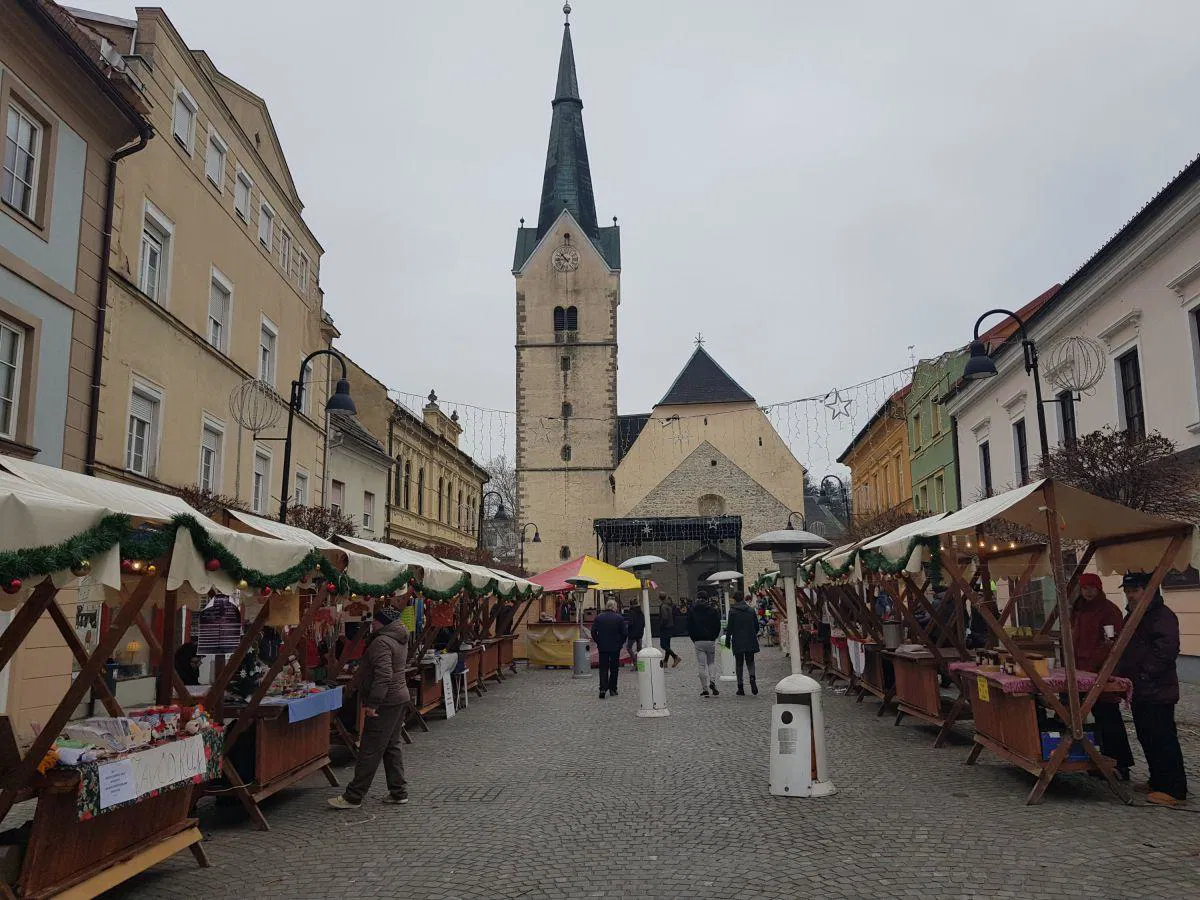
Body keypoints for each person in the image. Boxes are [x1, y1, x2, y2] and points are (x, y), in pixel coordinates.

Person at [1115, 572, 1188, 806]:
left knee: (1163, 738)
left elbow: (1166, 649)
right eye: (1127, 591)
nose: (1130, 595)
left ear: (1148, 590)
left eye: (1134, 590)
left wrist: (1145, 673)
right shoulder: (1135, 615)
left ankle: (1174, 788)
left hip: (1157, 688)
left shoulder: (1161, 615)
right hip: (1139, 687)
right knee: (1147, 736)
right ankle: (1157, 780)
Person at [329, 605, 411, 809]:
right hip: (399, 697)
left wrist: (373, 704)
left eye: (374, 621)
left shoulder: (382, 642)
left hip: (386, 701)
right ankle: (398, 791)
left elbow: (384, 675)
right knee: (391, 746)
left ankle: (354, 796)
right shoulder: (399, 637)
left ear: (382, 623)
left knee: (370, 748)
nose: (371, 624)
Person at [1070, 573, 1134, 780]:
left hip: (1101, 671)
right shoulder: (1077, 609)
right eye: (1085, 588)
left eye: (1091, 587)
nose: (1088, 591)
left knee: (1108, 716)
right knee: (1093, 717)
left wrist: (1092, 666)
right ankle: (1099, 760)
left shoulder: (1108, 610)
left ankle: (1121, 763)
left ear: (1098, 588)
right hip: (1080, 670)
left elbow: (1109, 643)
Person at [590, 599, 627, 699]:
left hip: (603, 647)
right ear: (614, 607)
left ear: (606, 606)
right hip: (615, 647)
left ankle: (602, 688)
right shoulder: (619, 618)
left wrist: (598, 641)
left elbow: (593, 632)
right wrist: (620, 643)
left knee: (603, 668)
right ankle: (612, 689)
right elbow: (624, 633)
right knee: (614, 668)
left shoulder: (599, 617)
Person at [725, 593, 760, 695]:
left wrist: (727, 640)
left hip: (738, 640)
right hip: (750, 640)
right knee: (750, 661)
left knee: (739, 664)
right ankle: (752, 678)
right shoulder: (751, 610)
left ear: (735, 600)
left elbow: (729, 628)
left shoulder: (732, 612)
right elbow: (756, 626)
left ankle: (740, 687)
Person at [687, 595, 722, 697]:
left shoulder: (692, 610)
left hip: (698, 640)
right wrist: (714, 636)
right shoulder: (712, 610)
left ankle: (705, 688)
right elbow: (717, 624)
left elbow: (689, 626)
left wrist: (693, 638)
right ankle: (712, 680)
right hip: (710, 639)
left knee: (701, 665)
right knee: (711, 662)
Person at [658, 596, 681, 668]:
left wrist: (662, 625)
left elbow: (664, 618)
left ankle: (675, 657)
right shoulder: (669, 605)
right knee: (667, 645)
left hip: (665, 628)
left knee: (663, 645)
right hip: (670, 627)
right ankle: (665, 661)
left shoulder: (664, 606)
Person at [623, 601, 645, 666]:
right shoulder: (641, 612)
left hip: (632, 633)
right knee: (639, 649)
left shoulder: (631, 612)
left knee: (629, 647)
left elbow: (630, 623)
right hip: (640, 633)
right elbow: (643, 623)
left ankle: (635, 660)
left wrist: (626, 627)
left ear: (631, 605)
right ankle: (640, 663)